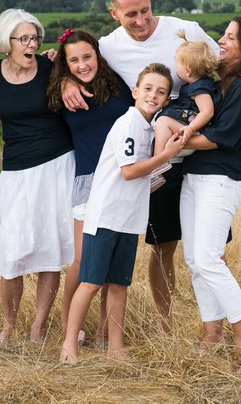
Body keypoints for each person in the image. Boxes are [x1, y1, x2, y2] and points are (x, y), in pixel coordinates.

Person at [61, 0, 218, 332]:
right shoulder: (108, 47)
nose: (142, 20)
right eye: (131, 14)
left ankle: (214, 327)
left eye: (146, 10)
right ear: (114, 13)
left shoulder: (186, 30)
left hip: (200, 156)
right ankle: (164, 326)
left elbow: (223, 67)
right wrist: (64, 80)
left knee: (205, 250)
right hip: (153, 165)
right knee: (161, 248)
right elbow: (76, 61)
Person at [59, 63, 188, 365]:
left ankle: (115, 348)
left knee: (119, 284)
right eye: (147, 89)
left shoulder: (148, 129)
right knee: (91, 283)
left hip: (129, 220)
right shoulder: (128, 124)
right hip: (105, 217)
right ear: (135, 91)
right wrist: (166, 155)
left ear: (167, 99)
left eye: (161, 92)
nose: (153, 95)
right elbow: (129, 172)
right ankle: (68, 344)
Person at [179, 16, 241, 368]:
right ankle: (211, 337)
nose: (221, 40)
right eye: (224, 34)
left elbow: (223, 138)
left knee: (208, 259)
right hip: (194, 178)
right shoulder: (222, 82)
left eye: (231, 38)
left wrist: (172, 142)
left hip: (219, 181)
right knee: (195, 261)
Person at [0, 9, 75, 346]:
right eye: (24, 38)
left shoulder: (51, 67)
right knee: (12, 249)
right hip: (16, 170)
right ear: (7, 42)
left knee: (52, 245)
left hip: (58, 163)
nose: (32, 44)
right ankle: (8, 325)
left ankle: (38, 326)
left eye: (35, 38)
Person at [46, 28, 132, 348]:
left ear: (98, 55)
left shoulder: (119, 86)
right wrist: (62, 75)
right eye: (74, 60)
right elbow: (35, 67)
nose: (82, 64)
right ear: (65, 64)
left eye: (87, 56)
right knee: (84, 261)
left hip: (123, 181)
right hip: (88, 182)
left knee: (112, 265)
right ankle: (71, 325)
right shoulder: (60, 90)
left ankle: (105, 333)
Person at [152, 38, 218, 162]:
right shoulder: (195, 86)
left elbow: (207, 111)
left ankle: (157, 162)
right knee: (161, 123)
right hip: (186, 128)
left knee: (163, 122)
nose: (175, 67)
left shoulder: (200, 89)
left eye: (177, 63)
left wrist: (191, 128)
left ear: (187, 71)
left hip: (191, 131)